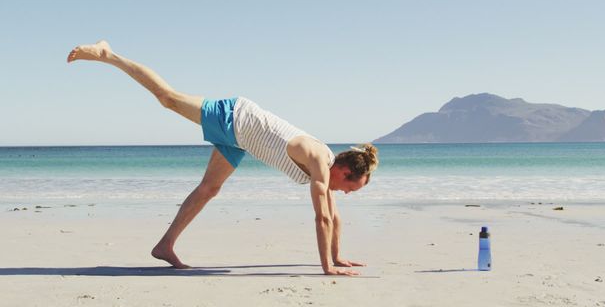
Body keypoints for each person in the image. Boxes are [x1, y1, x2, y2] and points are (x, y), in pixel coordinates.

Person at [67, 41, 378, 276]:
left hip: (240, 141)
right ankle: (109, 55)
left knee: (208, 189)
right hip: (234, 118)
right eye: (352, 188)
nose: (348, 193)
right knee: (168, 98)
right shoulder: (318, 161)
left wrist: (338, 257)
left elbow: (333, 217)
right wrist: (327, 267)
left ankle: (165, 246)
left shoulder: (325, 168)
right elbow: (322, 217)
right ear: (345, 170)